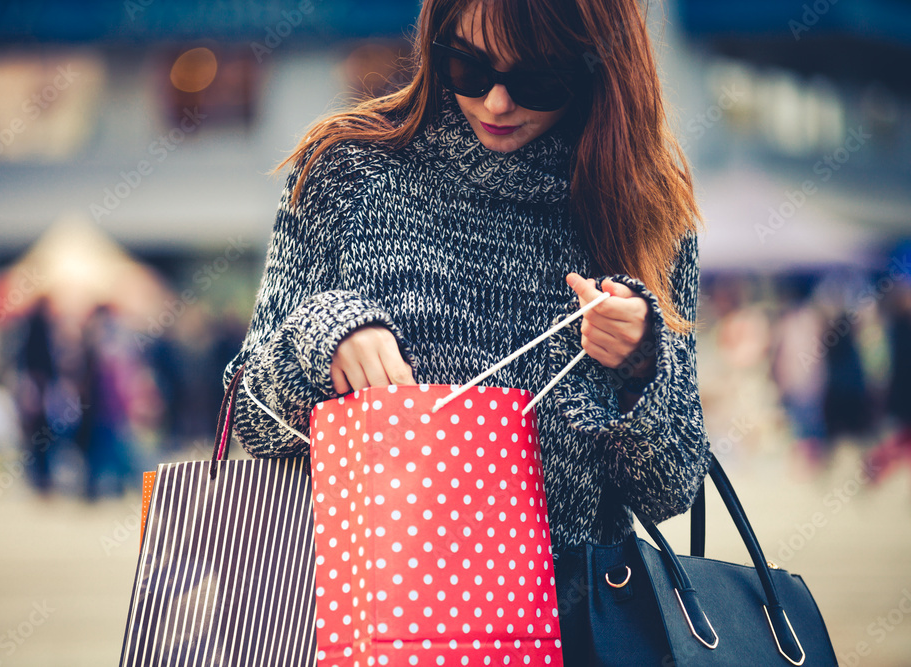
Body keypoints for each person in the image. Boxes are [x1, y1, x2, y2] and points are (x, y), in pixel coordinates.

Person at [224, 0, 709, 660]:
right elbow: (246, 412)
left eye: (538, 79)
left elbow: (672, 486)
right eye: (468, 66)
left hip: (573, 631)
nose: (498, 100)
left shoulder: (644, 205)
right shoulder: (349, 168)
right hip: (367, 619)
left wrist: (640, 367)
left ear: (600, 66)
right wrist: (325, 333)